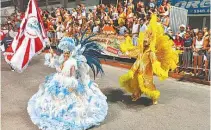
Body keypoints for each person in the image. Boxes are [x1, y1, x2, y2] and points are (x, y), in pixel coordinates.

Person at [27, 36, 108, 130]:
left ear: (70, 53)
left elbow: (73, 76)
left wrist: (71, 86)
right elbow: (59, 69)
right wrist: (53, 58)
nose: (65, 54)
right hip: (59, 80)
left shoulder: (72, 62)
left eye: (67, 53)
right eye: (64, 52)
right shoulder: (62, 59)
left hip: (68, 83)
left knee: (70, 101)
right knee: (52, 96)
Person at [119, 15, 178, 105]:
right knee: (136, 83)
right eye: (144, 41)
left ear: (149, 42)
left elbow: (154, 63)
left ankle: (154, 97)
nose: (144, 43)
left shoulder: (151, 52)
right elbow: (133, 52)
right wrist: (126, 51)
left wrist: (160, 71)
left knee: (148, 84)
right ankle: (136, 95)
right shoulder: (141, 49)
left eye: (146, 42)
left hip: (147, 71)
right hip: (138, 69)